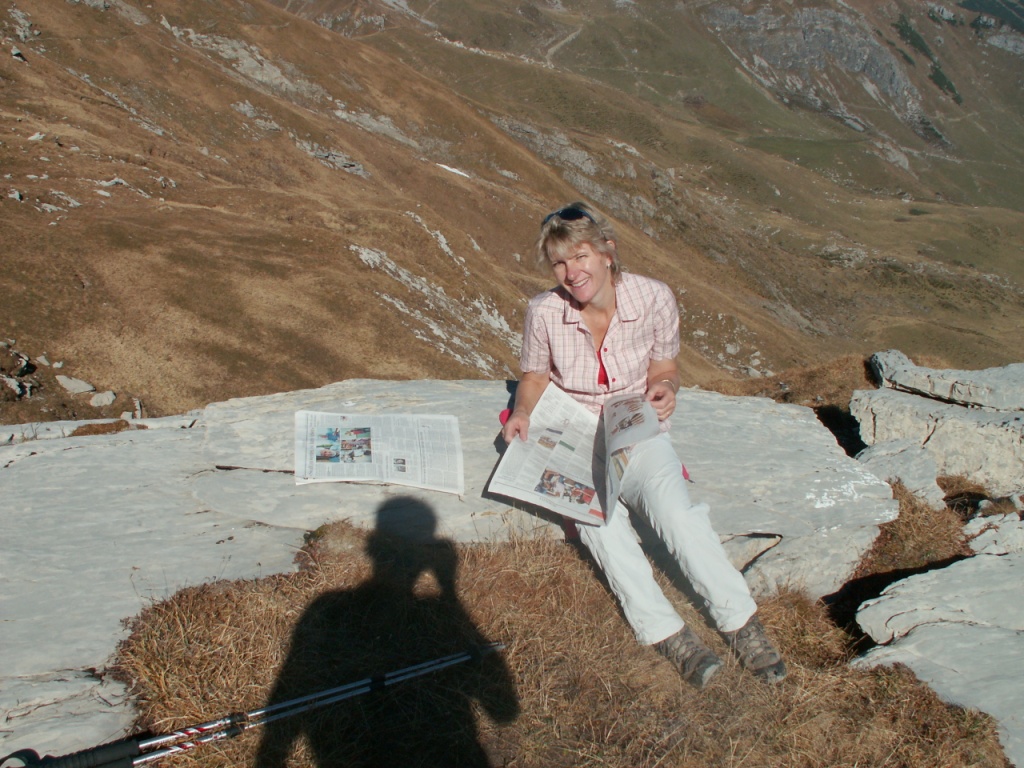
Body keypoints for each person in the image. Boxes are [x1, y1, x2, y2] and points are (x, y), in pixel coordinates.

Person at [501, 201, 786, 689]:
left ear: (608, 252)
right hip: (575, 433)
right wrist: (524, 411)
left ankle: (740, 623)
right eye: (560, 263)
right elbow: (533, 375)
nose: (572, 273)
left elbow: (665, 366)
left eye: (581, 256)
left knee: (677, 515)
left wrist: (666, 388)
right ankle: (668, 633)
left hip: (634, 426)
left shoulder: (653, 297)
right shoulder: (544, 311)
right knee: (600, 526)